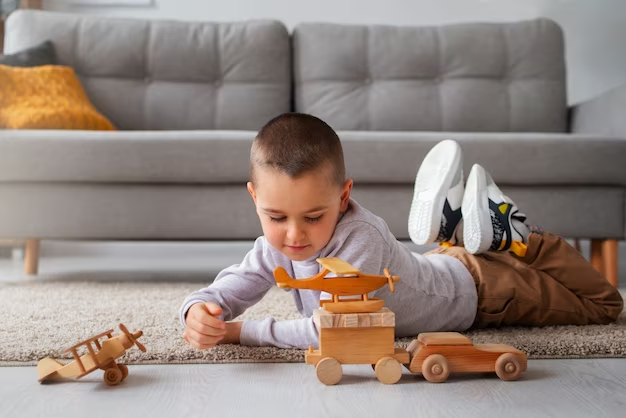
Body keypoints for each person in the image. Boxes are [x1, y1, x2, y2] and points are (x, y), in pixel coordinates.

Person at [180, 113, 623, 350]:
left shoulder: (361, 239)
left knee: (603, 305)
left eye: (314, 216)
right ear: (254, 197)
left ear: (343, 196)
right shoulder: (274, 247)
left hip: (486, 293)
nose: (294, 235)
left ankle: (520, 236)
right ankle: (465, 230)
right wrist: (200, 310)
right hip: (444, 267)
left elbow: (328, 330)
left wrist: (239, 332)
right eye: (276, 218)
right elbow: (229, 287)